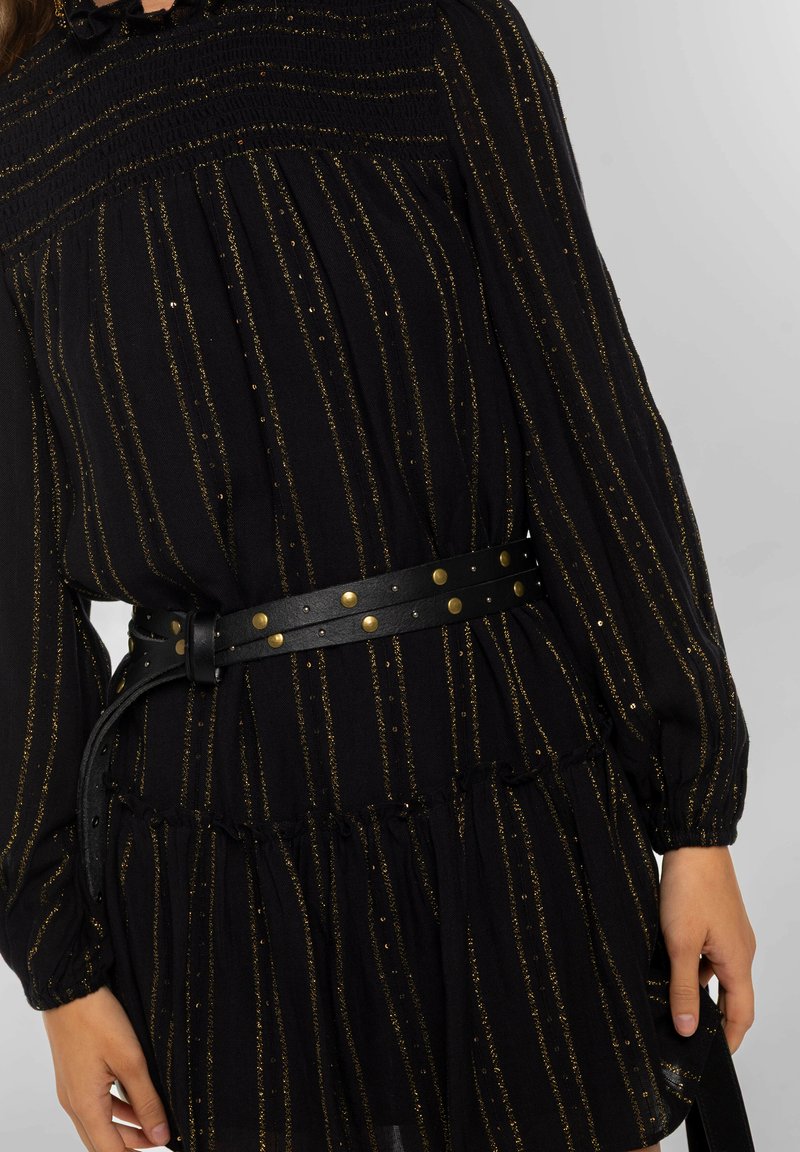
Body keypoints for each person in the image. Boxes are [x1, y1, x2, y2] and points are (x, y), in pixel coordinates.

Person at [0, 0, 757, 1149]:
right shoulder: (23, 138)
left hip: (499, 771)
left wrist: (692, 816)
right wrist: (58, 966)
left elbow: (583, 411)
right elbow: (15, 594)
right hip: (215, 846)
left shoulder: (424, 30)